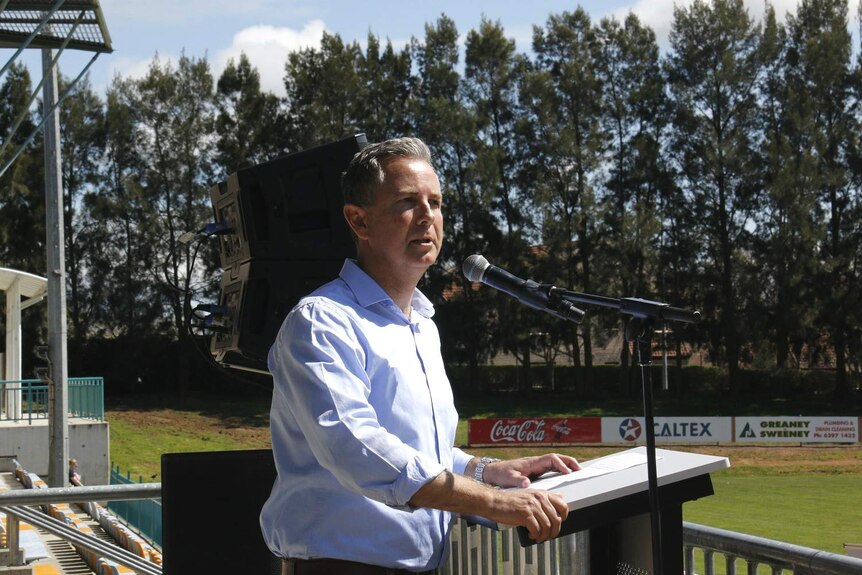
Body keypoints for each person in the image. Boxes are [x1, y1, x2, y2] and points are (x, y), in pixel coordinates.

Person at [260, 137, 580, 575]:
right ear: (359, 221)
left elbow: (416, 450)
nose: (428, 215)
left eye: (436, 202)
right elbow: (359, 449)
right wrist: (493, 502)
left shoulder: (423, 325)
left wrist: (486, 470)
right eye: (407, 202)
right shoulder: (321, 322)